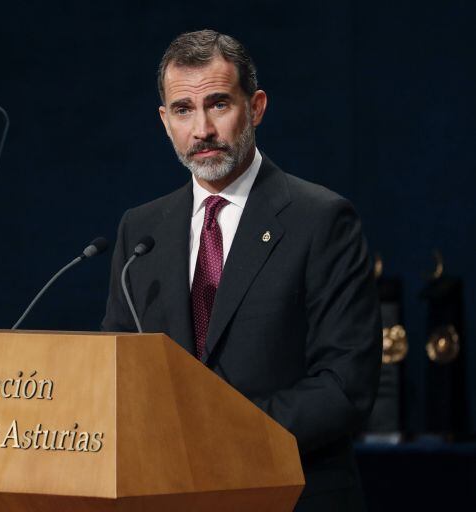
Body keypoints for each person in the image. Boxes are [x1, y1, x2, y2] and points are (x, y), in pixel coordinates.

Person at [102, 30, 381, 511]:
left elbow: (345, 385)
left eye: (218, 104)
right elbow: (116, 373)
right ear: (165, 121)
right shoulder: (140, 231)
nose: (202, 130)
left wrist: (220, 435)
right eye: (184, 110)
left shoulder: (321, 219)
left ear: (256, 107)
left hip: (291, 494)